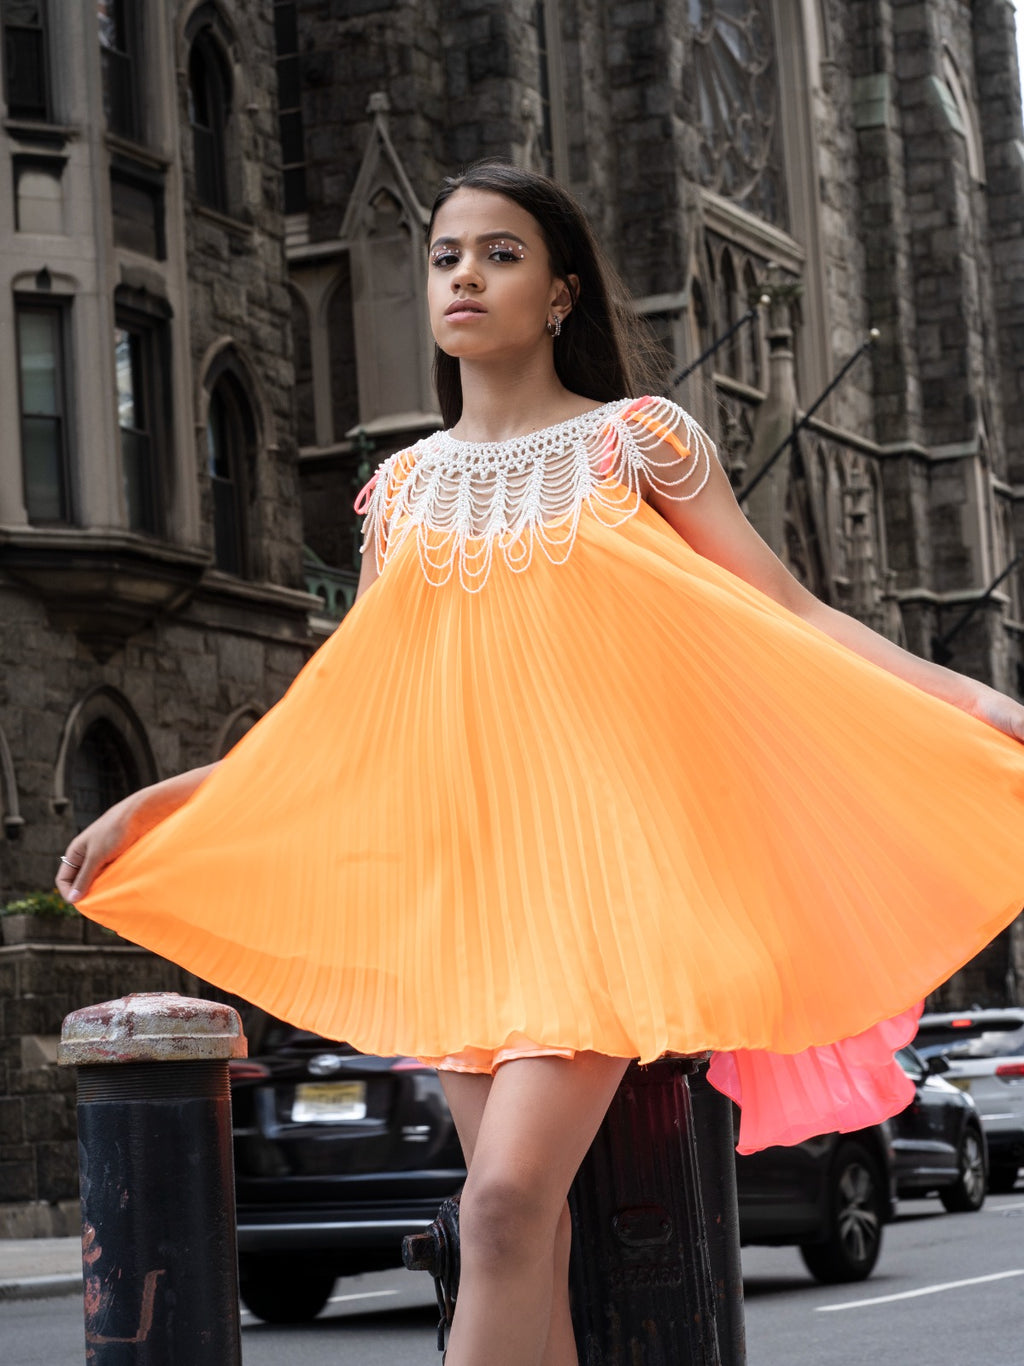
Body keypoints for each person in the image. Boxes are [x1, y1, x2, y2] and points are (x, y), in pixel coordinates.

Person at [59, 161, 1024, 1366]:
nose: (464, 273)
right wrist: (169, 799)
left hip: (605, 878)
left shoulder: (637, 440)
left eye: (500, 253)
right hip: (463, 890)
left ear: (560, 292)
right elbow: (352, 709)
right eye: (446, 253)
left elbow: (789, 611)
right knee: (520, 1234)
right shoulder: (402, 489)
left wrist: (979, 700)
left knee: (506, 1206)